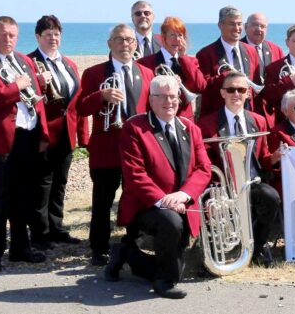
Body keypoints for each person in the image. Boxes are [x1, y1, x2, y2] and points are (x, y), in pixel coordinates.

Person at [107, 74, 211, 299]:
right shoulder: (134, 127)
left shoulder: (190, 128)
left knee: (178, 268)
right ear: (150, 100)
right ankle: (162, 281)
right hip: (145, 205)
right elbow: (135, 175)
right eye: (161, 96)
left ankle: (124, 253)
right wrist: (165, 200)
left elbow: (204, 169)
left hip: (181, 203)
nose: (168, 101)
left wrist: (183, 195)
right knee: (170, 229)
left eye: (173, 96)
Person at [0, 16, 50, 273]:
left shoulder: (24, 61)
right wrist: (16, 87)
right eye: (3, 34)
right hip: (0, 141)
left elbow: (36, 100)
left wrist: (42, 134)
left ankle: (20, 248)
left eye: (13, 35)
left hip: (26, 137)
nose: (8, 39)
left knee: (24, 196)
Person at [77, 24, 155, 266]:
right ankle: (98, 248)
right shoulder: (94, 73)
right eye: (119, 40)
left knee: (136, 197)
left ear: (136, 44)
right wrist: (101, 96)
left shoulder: (147, 73)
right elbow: (80, 108)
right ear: (109, 44)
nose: (125, 45)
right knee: (102, 200)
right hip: (106, 148)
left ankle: (134, 243)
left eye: (130, 40)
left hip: (137, 148)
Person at [197, 71, 282, 267]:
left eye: (241, 89)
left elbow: (263, 158)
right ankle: (214, 249)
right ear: (222, 93)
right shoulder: (206, 124)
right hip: (222, 184)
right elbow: (203, 162)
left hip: (251, 181)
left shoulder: (258, 120)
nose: (236, 94)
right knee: (212, 201)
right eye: (231, 89)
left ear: (248, 93)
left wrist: (276, 157)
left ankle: (257, 247)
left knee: (271, 198)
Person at [28, 15, 86, 247]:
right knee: (41, 184)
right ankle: (39, 233)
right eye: (48, 34)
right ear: (38, 37)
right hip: (42, 133)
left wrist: (83, 135)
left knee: (60, 182)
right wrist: (37, 82)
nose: (53, 38)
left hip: (66, 132)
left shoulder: (69, 64)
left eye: (56, 34)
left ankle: (56, 228)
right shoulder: (29, 62)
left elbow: (77, 102)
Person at [196, 6, 262, 118]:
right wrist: (226, 76)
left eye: (239, 24)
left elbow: (254, 83)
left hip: (246, 114)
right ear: (220, 25)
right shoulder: (205, 54)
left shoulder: (251, 51)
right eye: (232, 24)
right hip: (218, 116)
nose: (237, 28)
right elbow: (204, 88)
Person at [137, 16, 208, 119]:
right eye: (172, 35)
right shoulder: (145, 62)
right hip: (156, 117)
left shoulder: (191, 61)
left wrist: (184, 57)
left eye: (180, 35)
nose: (177, 39)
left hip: (184, 118)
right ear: (163, 37)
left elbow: (200, 86)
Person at [242, 12, 285, 87]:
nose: (259, 29)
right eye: (254, 25)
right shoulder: (237, 48)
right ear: (245, 27)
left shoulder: (277, 50)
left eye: (262, 26)